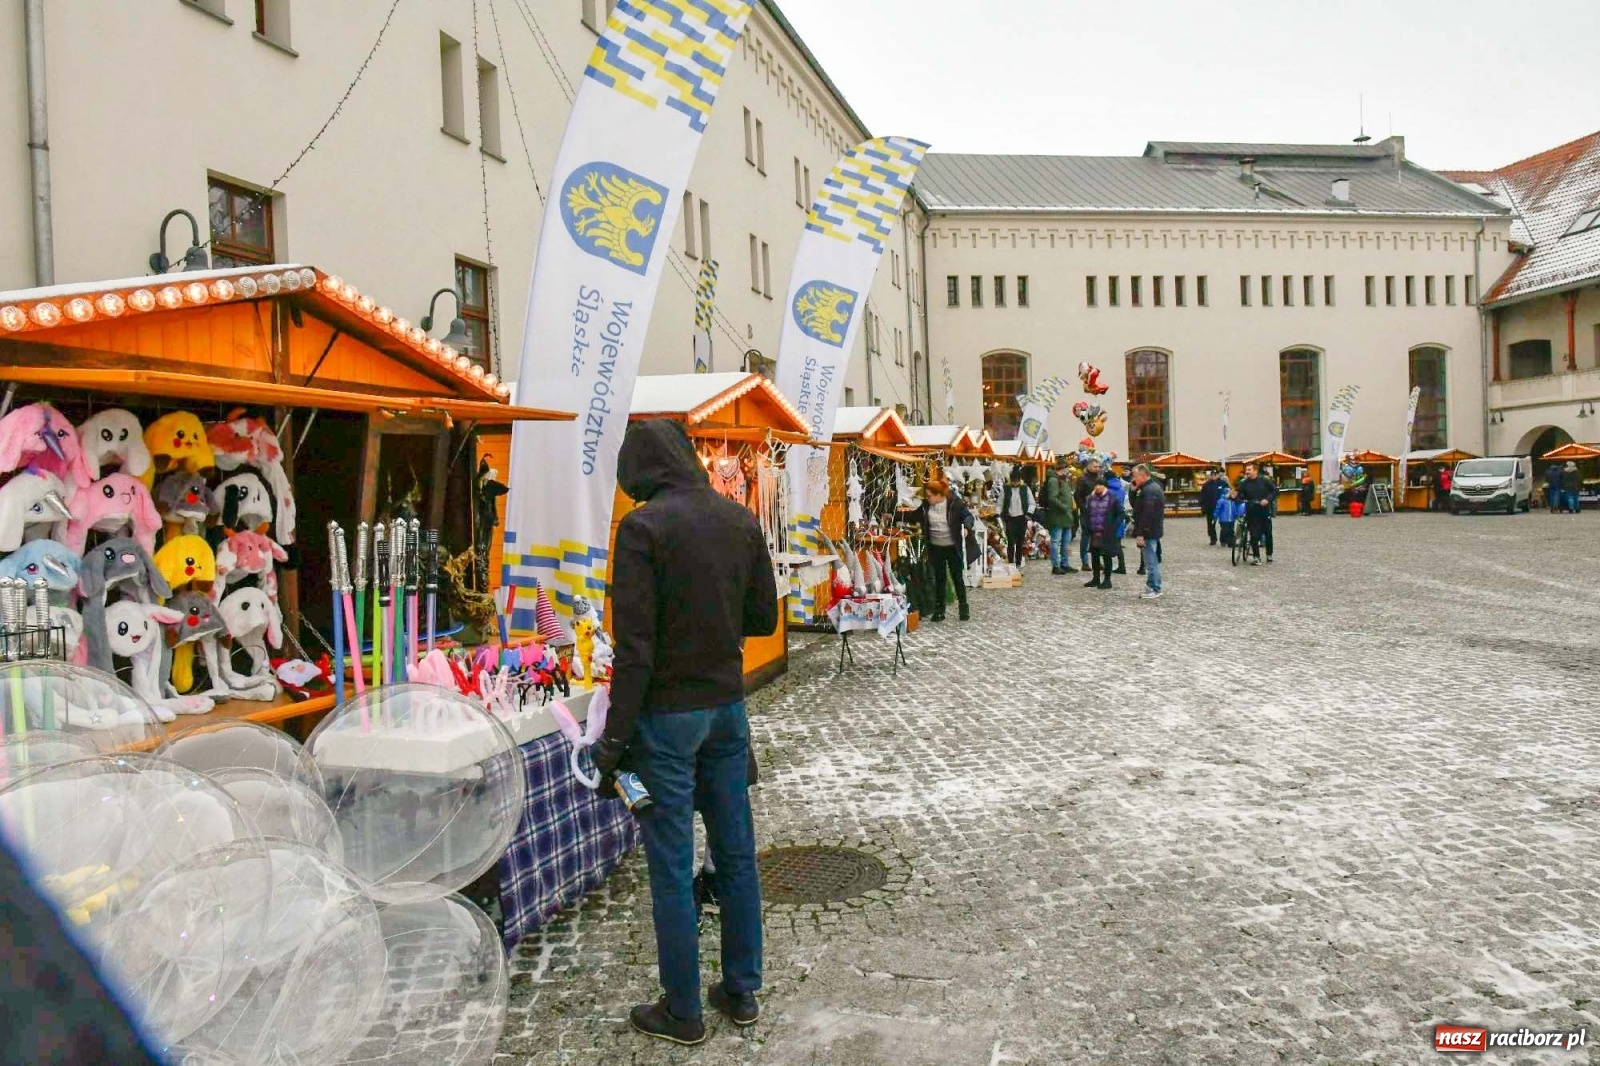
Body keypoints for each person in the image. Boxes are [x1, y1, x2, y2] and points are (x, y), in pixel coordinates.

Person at [593, 419, 777, 1045]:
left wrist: (613, 743)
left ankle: (683, 1010)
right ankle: (742, 989)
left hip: (668, 716)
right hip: (727, 707)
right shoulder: (740, 520)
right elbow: (761, 615)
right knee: (735, 850)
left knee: (671, 863)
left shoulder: (642, 529)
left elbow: (635, 648)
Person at [915, 475, 975, 622]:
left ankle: (963, 608)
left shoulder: (955, 504)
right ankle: (939, 610)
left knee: (957, 577)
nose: (927, 498)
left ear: (939, 495)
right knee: (939, 579)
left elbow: (968, 516)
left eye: (929, 496)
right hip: (936, 547)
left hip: (952, 546)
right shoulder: (926, 506)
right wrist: (896, 515)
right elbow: (914, 516)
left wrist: (966, 527)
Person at [1130, 463, 1165, 599]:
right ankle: (1151, 585)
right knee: (1150, 559)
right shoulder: (1147, 488)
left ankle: (1155, 587)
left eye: (1135, 476)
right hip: (1151, 530)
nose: (1134, 478)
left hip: (1149, 531)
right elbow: (1136, 506)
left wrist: (1141, 533)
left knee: (1151, 561)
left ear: (1143, 475)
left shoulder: (1150, 490)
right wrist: (1133, 491)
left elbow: (1147, 514)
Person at [1040, 456, 1077, 574]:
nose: (1068, 471)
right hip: (1058, 515)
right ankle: (1056, 565)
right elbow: (1052, 498)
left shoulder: (1063, 480)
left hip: (1066, 516)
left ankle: (1064, 564)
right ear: (1063, 468)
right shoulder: (1053, 480)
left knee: (1066, 541)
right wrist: (1065, 507)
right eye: (1067, 468)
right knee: (1055, 541)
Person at [1082, 478, 1121, 589]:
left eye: (1100, 485)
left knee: (1106, 556)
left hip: (1107, 533)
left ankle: (1107, 580)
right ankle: (1096, 579)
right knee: (1094, 556)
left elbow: (1121, 514)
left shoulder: (1112, 498)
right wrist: (1086, 525)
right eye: (1096, 485)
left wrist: (1113, 527)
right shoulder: (1091, 498)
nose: (1097, 487)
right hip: (1094, 532)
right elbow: (1087, 513)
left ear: (1105, 486)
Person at [1236, 462, 1275, 564]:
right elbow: (1239, 494)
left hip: (1264, 510)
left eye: (1249, 470)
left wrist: (1267, 499)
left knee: (1268, 533)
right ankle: (1256, 558)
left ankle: (1269, 554)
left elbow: (1274, 491)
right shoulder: (1244, 483)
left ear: (1255, 471)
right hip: (1251, 511)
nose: (1247, 472)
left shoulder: (1264, 481)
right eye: (1246, 470)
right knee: (1253, 535)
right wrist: (1236, 497)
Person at [1073, 457, 1103, 572]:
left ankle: (1097, 560)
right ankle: (1085, 561)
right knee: (1085, 537)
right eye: (1095, 466)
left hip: (1098, 512)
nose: (1097, 468)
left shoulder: (1100, 478)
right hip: (1087, 512)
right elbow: (1077, 495)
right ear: (1089, 466)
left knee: (1097, 537)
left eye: (1098, 466)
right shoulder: (1082, 479)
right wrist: (1083, 508)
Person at [1000, 468, 1034, 568]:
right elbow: (1000, 502)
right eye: (1013, 481)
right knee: (1010, 541)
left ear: (1020, 480)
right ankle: (1011, 562)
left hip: (1022, 518)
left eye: (1016, 481)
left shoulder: (1025, 488)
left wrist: (1029, 513)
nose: (1015, 483)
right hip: (1010, 518)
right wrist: (998, 513)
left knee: (1020, 541)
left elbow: (1031, 502)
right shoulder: (1005, 489)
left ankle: (1018, 562)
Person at [1104, 466, 1129, 574]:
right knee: (1118, 544)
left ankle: (1109, 568)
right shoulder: (1121, 488)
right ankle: (1121, 566)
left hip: (1109, 520)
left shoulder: (1107, 490)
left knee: (1107, 545)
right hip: (1120, 520)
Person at [1199, 470, 1224, 544]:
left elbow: (1228, 494)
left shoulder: (1223, 484)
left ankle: (1224, 539)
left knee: (1224, 524)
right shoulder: (1206, 485)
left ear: (1218, 475)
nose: (1214, 476)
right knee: (1210, 524)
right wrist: (1203, 507)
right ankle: (1213, 538)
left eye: (1215, 474)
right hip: (1210, 507)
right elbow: (1202, 496)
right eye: (1212, 474)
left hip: (1222, 508)